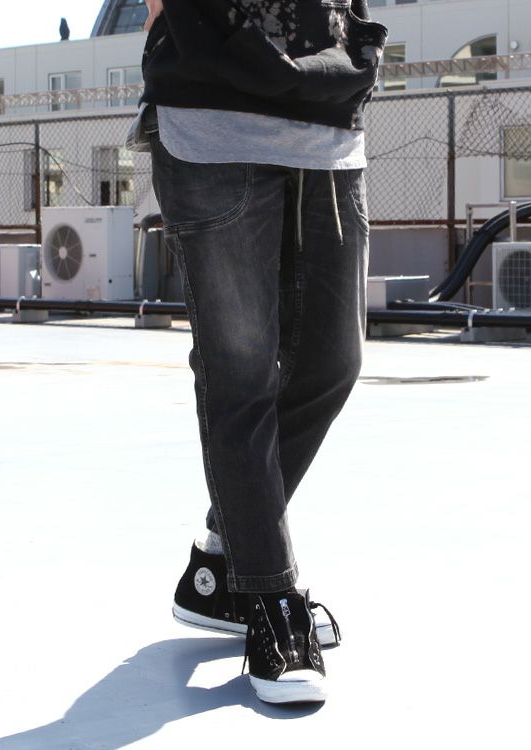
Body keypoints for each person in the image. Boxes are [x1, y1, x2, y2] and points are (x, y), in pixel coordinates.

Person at [128, 0, 387, 704]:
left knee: (334, 362)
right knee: (239, 371)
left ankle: (223, 564)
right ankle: (272, 597)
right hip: (214, 110)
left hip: (327, 115)